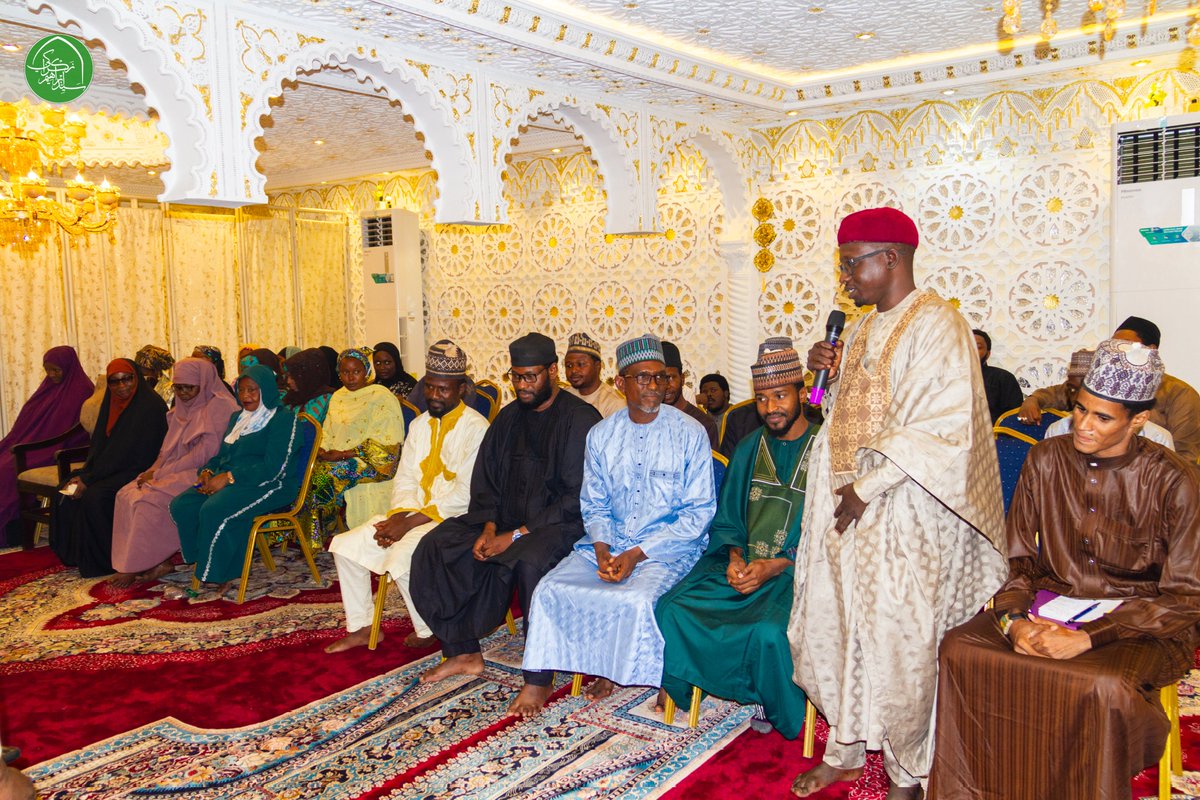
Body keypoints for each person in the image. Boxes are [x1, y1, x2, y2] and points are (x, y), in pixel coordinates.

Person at [787, 207, 1007, 800]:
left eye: (851, 264)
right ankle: (844, 750)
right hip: (843, 506)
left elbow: (939, 427)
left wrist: (868, 487)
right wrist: (824, 381)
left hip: (903, 510)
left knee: (899, 641)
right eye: (842, 266)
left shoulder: (940, 324)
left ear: (891, 258)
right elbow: (844, 416)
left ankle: (908, 769)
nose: (845, 278)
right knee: (839, 628)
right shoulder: (859, 329)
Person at [929, 338, 1200, 800]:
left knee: (1102, 685)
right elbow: (1017, 559)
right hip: (1051, 601)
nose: (1084, 425)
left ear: (1138, 421)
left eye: (1102, 418)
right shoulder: (1046, 458)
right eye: (1080, 410)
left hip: (1140, 622)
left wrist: (1089, 637)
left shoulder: (1175, 479)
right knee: (960, 648)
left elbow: (1184, 597)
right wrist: (1015, 621)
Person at [409, 332, 601, 716]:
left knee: (530, 563)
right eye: (516, 377)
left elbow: (575, 497)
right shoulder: (509, 418)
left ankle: (538, 678)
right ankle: (462, 651)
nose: (522, 385)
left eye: (530, 376)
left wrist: (513, 536)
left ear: (552, 372)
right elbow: (487, 481)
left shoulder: (579, 419)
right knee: (436, 545)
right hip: (504, 520)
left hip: (560, 525)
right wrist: (488, 527)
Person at [523, 333, 716, 710]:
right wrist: (602, 550)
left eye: (660, 377)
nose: (654, 385)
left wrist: (636, 555)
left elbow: (698, 514)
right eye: (642, 377)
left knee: (637, 599)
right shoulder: (601, 436)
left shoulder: (690, 433)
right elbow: (593, 504)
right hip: (608, 544)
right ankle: (540, 681)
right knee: (549, 589)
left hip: (668, 550)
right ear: (621, 383)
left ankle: (642, 673)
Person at [657, 342, 816, 737]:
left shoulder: (827, 448)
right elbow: (728, 518)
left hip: (801, 572)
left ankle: (768, 698)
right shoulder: (749, 448)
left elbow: (836, 534)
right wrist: (734, 558)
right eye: (761, 399)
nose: (770, 407)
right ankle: (691, 683)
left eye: (780, 396)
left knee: (769, 632)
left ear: (801, 393)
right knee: (672, 607)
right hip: (744, 565)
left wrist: (777, 565)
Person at [325, 341, 489, 652]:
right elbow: (405, 478)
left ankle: (428, 628)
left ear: (461, 389)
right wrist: (398, 517)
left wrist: (408, 524)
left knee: (402, 555)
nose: (434, 395)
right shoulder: (419, 424)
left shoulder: (477, 428)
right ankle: (362, 626)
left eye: (443, 389)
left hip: (456, 519)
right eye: (430, 387)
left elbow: (465, 493)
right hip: (413, 514)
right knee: (344, 546)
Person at [169, 365, 303, 599]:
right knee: (183, 504)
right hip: (233, 480)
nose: (245, 396)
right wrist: (208, 471)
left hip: (272, 484)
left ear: (266, 390)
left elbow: (275, 468)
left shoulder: (283, 419)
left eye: (252, 390)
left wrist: (230, 477)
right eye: (241, 390)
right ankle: (205, 561)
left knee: (216, 509)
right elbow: (222, 455)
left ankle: (224, 574)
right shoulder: (238, 418)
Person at [108, 358, 239, 588]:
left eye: (190, 387)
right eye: (179, 387)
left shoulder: (220, 407)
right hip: (175, 469)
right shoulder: (180, 408)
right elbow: (166, 450)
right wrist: (151, 471)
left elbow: (204, 455)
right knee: (126, 493)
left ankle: (136, 565)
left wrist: (161, 474)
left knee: (149, 500)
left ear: (204, 383)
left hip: (204, 472)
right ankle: (154, 562)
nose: (184, 393)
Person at [1019, 317, 1200, 464]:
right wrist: (1033, 399)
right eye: (1114, 345)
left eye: (1126, 345)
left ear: (1150, 351)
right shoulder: (1102, 382)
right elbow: (1061, 393)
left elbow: (1184, 460)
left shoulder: (1180, 394)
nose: (1117, 352)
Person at [49, 358, 169, 578]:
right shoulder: (112, 403)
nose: (122, 386)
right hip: (110, 468)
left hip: (140, 470)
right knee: (64, 490)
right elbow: (100, 447)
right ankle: (76, 555)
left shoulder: (150, 407)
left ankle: (108, 561)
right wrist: (85, 475)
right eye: (115, 381)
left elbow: (131, 455)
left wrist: (90, 480)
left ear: (137, 378)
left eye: (127, 379)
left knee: (95, 496)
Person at [304, 347, 405, 545]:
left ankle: (317, 538)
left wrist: (344, 454)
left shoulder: (381, 396)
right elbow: (328, 430)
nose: (350, 378)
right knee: (309, 471)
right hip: (339, 457)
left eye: (356, 371)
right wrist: (323, 450)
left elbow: (387, 443)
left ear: (366, 371)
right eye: (345, 372)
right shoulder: (338, 397)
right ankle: (311, 536)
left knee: (325, 477)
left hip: (372, 461)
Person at [0, 346, 93, 538]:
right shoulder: (48, 388)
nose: (51, 375)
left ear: (68, 367)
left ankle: (13, 527)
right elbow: (27, 423)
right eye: (47, 370)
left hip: (63, 449)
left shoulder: (82, 390)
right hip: (36, 445)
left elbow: (73, 432)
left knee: (6, 470)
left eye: (56, 370)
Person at [662, 340, 719, 448]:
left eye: (670, 378)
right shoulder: (649, 421)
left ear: (682, 379)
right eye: (660, 379)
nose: (666, 386)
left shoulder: (704, 424)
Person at [562, 331, 625, 417]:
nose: (573, 370)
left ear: (597, 366)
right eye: (569, 365)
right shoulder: (563, 396)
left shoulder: (614, 403)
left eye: (581, 364)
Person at [973, 329, 1023, 423]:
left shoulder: (1003, 378)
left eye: (978, 347)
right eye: (966, 346)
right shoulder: (947, 379)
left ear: (988, 354)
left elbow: (1013, 419)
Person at [282, 348, 335, 423]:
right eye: (288, 376)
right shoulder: (292, 396)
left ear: (307, 376)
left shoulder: (325, 397)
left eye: (293, 377)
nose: (288, 381)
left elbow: (306, 424)